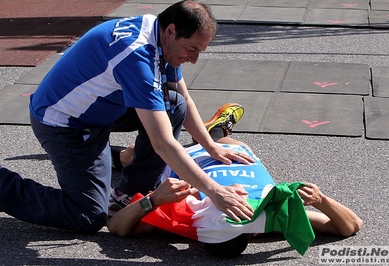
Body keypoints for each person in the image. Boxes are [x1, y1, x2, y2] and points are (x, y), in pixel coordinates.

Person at [0, 1, 254, 233]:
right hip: (65, 125)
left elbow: (183, 99)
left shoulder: (157, 31)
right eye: (191, 49)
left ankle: (128, 193)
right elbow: (162, 143)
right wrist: (215, 192)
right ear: (172, 31)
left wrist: (210, 147)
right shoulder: (136, 57)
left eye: (200, 51)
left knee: (174, 105)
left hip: (98, 109)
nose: (195, 60)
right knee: (87, 216)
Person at [106, 107, 363, 258]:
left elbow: (116, 226)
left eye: (225, 207)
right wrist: (322, 201)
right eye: (240, 205)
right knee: (223, 144)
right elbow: (351, 226)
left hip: (175, 158)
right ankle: (215, 132)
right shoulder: (269, 216)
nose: (237, 195)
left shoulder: (188, 218)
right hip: (233, 152)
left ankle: (104, 153)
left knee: (135, 154)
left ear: (203, 224)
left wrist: (152, 200)